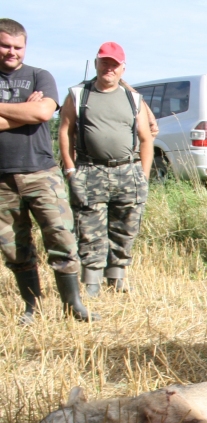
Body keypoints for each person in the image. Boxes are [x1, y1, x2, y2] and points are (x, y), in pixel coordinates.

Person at [0, 18, 93, 323]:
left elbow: (42, 111)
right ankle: (32, 306)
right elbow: (33, 114)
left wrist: (33, 113)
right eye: (5, 46)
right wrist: (24, 113)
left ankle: (73, 305)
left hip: (41, 172)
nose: (11, 52)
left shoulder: (40, 76)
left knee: (61, 238)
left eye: (17, 47)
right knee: (15, 248)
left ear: (25, 47)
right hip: (2, 179)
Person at [58, 41, 156, 295]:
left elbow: (146, 139)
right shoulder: (79, 94)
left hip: (128, 172)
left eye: (114, 64)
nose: (108, 68)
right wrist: (70, 170)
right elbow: (65, 132)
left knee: (126, 228)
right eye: (104, 63)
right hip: (90, 171)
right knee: (89, 228)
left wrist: (142, 176)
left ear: (123, 68)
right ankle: (92, 282)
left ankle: (117, 278)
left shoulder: (133, 98)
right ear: (96, 64)